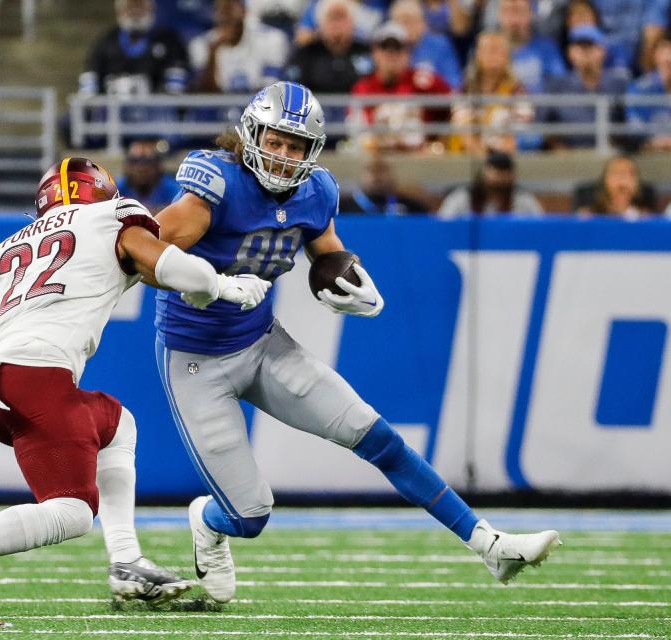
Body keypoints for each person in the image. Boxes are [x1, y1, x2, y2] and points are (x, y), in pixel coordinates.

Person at [153, 81, 561, 604]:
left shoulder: (315, 191)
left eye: (294, 146)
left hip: (260, 343)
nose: (281, 156)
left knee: (376, 436)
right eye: (274, 141)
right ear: (252, 135)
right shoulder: (218, 186)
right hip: (196, 361)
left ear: (311, 152)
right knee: (249, 515)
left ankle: (489, 544)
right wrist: (215, 283)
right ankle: (207, 524)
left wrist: (348, 284)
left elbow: (329, 253)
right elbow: (145, 255)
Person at [0, 157, 271, 623]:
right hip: (36, 379)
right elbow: (171, 265)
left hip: (3, 386)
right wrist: (224, 286)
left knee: (115, 422)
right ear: (102, 193)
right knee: (72, 513)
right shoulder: (112, 217)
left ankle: (127, 561)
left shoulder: (14, 245)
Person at [350, 21, 452, 152]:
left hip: (418, 157)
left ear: (407, 53)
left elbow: (453, 107)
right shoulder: (363, 87)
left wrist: (437, 142)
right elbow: (356, 129)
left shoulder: (424, 81)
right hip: (378, 158)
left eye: (397, 48)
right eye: (385, 48)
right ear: (375, 53)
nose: (391, 54)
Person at [542, 25, 627, 149]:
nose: (585, 51)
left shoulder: (618, 84)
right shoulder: (556, 86)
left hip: (610, 154)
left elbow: (627, 124)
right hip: (568, 159)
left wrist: (614, 146)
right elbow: (545, 127)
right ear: (570, 52)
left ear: (603, 51)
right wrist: (560, 151)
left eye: (590, 46)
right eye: (580, 47)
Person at [449, 30, 532, 155]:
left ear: (507, 56)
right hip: (468, 155)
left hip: (504, 158)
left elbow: (521, 128)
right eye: (488, 50)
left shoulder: (517, 90)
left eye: (498, 50)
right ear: (478, 54)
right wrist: (480, 154)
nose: (493, 55)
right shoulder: (465, 88)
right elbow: (461, 123)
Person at [188, 0, 289, 93]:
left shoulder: (272, 38)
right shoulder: (200, 44)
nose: (226, 12)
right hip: (219, 110)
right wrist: (212, 54)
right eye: (221, 6)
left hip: (258, 108)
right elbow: (203, 95)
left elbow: (270, 90)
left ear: (244, 9)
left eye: (231, 5)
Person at [437, 149, 544, 218]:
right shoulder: (463, 197)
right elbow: (443, 223)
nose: (500, 179)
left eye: (505, 174)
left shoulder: (523, 200)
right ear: (484, 173)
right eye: (496, 174)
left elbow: (540, 226)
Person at [340, 152, 430, 214]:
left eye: (382, 169)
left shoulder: (412, 208)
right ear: (360, 174)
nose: (376, 175)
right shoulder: (341, 209)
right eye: (371, 169)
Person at [573, 154, 658, 219]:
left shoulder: (646, 216)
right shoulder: (588, 214)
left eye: (629, 174)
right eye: (617, 173)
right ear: (604, 179)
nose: (623, 180)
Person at [115, 138, 181, 213]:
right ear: (127, 166)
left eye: (147, 161)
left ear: (158, 166)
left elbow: (182, 211)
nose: (141, 168)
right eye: (135, 161)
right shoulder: (117, 188)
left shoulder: (171, 188)